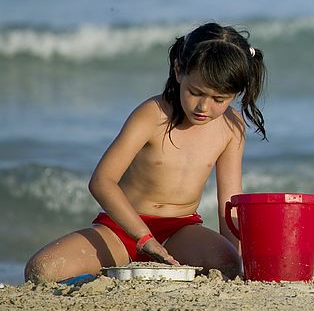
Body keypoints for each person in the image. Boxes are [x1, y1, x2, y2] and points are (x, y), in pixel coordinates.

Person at [24, 22, 267, 283]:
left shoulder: (231, 126)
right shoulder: (152, 115)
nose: (203, 106)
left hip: (180, 231)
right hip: (122, 230)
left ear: (234, 94)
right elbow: (101, 182)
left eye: (219, 99)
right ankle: (112, 271)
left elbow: (229, 200)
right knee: (41, 270)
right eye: (195, 92)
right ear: (178, 72)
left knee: (226, 264)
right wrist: (144, 238)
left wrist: (235, 259)